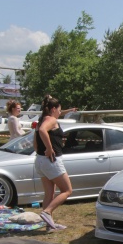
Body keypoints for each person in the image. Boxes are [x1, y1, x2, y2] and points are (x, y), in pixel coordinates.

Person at [34, 95, 73, 231]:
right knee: (67, 190)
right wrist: (49, 149)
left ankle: (49, 225)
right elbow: (43, 131)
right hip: (51, 160)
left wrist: (41, 151)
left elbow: (35, 142)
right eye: (59, 110)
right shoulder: (51, 120)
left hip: (40, 160)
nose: (60, 113)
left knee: (49, 194)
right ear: (53, 109)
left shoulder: (41, 120)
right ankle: (47, 212)